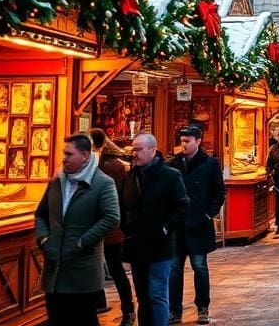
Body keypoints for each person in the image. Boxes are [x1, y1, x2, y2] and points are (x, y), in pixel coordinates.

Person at [34, 133, 121, 326]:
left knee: (83, 319)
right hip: (55, 269)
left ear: (85, 156)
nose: (63, 158)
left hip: (82, 271)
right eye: (63, 153)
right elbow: (41, 214)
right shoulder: (57, 182)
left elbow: (112, 218)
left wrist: (83, 241)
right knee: (57, 319)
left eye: (68, 154)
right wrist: (43, 239)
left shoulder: (102, 183)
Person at [120, 133, 190, 326]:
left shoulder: (169, 175)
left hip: (160, 246)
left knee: (157, 292)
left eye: (139, 149)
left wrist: (166, 229)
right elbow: (123, 206)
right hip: (136, 245)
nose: (135, 153)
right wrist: (126, 229)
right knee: (142, 295)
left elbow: (182, 206)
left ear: (152, 149)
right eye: (133, 149)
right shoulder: (130, 177)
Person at [168, 126, 226, 325]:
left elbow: (219, 192)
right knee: (174, 268)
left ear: (198, 141)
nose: (183, 144)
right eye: (182, 140)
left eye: (188, 140)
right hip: (177, 226)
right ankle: (174, 310)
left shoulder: (210, 164)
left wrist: (209, 215)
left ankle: (203, 307)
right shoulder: (173, 164)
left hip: (199, 224)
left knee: (199, 266)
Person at [90, 128, 135, 326]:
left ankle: (123, 308)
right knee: (116, 270)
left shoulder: (104, 166)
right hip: (114, 226)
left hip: (107, 226)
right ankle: (127, 309)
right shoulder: (119, 164)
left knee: (110, 268)